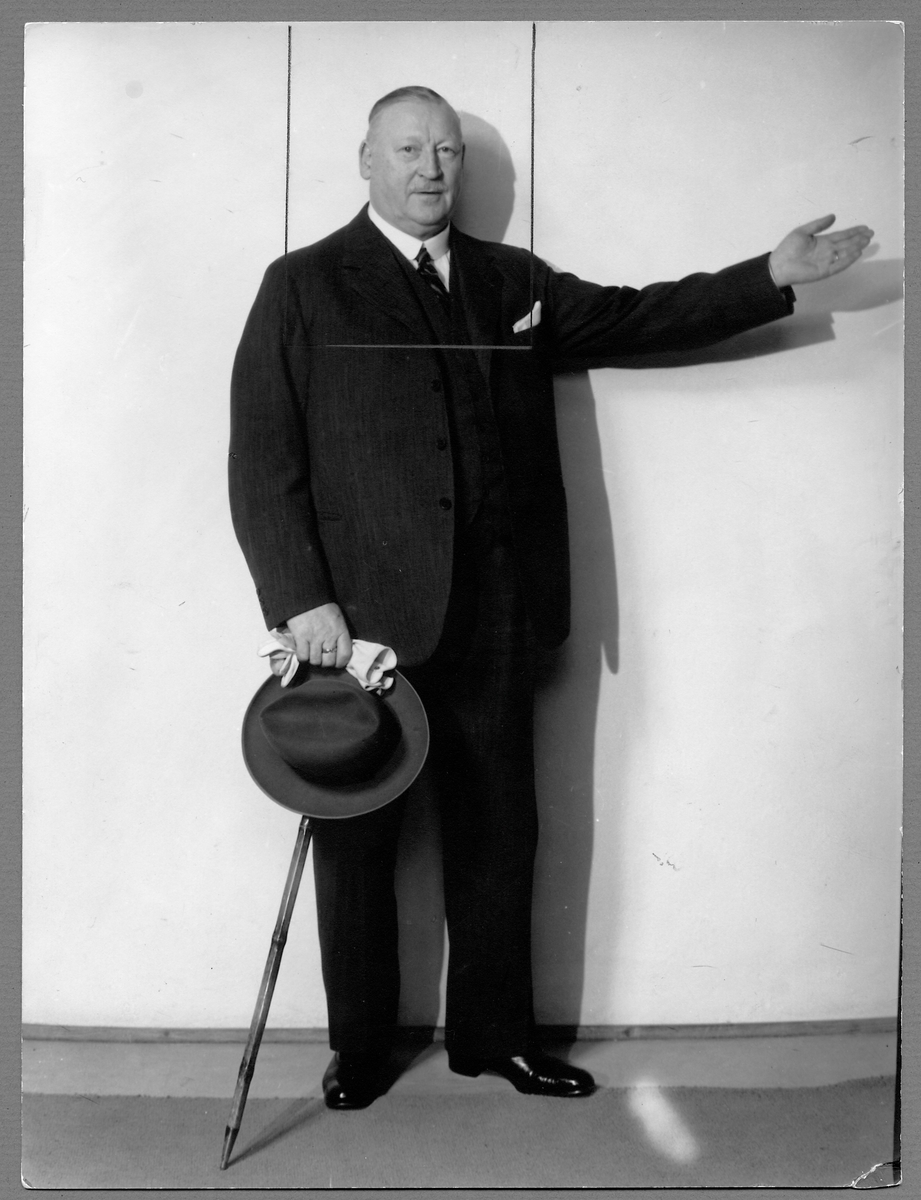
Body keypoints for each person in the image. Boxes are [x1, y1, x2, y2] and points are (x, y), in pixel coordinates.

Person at [229, 85, 872, 1109]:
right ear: (366, 161)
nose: (432, 168)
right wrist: (304, 599)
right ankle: (360, 1049)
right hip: (362, 630)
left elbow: (634, 317)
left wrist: (770, 276)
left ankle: (497, 1040)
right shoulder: (302, 284)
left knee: (499, 836)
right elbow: (263, 456)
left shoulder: (514, 280)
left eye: (447, 151)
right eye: (409, 149)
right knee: (358, 847)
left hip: (499, 614)